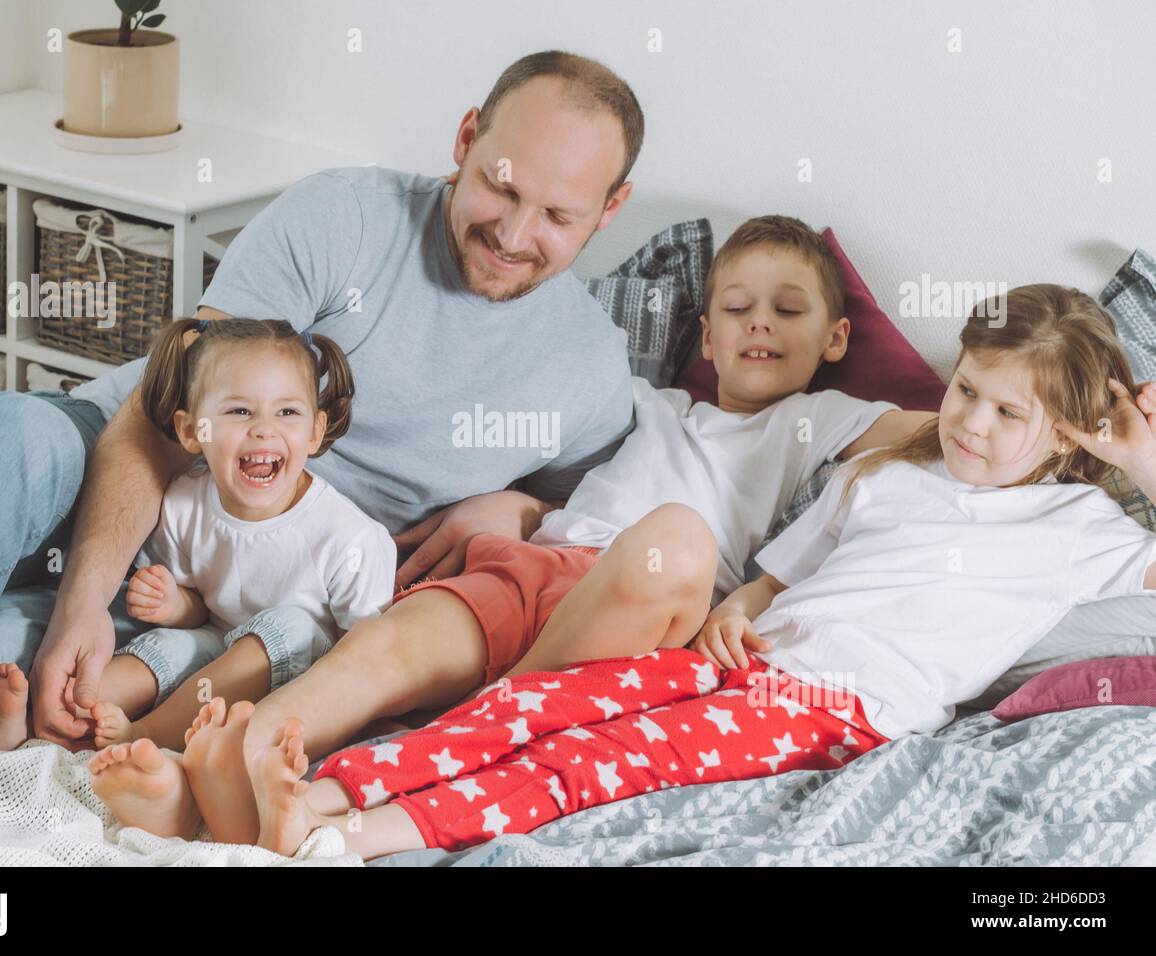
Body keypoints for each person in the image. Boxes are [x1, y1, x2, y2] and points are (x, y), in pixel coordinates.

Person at [0, 49, 641, 781]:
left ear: (610, 209)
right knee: (9, 439)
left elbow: (600, 539)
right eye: (501, 187)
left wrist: (527, 505)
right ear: (468, 138)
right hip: (134, 470)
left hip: (232, 600)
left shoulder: (589, 368)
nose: (512, 233)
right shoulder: (347, 217)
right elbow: (162, 419)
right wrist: (83, 603)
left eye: (556, 217)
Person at [89, 215, 937, 843]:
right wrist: (524, 508)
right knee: (383, 648)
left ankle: (445, 746)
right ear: (705, 333)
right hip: (533, 566)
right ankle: (228, 777)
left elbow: (942, 431)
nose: (759, 324)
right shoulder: (647, 402)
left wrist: (1051, 421)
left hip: (646, 609)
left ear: (834, 338)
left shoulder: (820, 419)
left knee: (675, 535)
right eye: (738, 308)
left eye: (787, 311)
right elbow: (553, 461)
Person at [240, 283, 1156, 859]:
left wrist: (1137, 461)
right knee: (539, 703)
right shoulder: (890, 474)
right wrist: (739, 609)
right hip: (747, 662)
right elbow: (778, 580)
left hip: (841, 711)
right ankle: (323, 792)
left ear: (1068, 435)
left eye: (1008, 415)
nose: (972, 425)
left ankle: (351, 841)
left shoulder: (1085, 528)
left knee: (593, 760)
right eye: (967, 392)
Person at [0, 318, 395, 756]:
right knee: (167, 648)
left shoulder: (350, 538)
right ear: (192, 432)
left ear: (316, 431)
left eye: (287, 412)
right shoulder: (184, 504)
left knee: (289, 627)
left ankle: (143, 735)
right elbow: (200, 606)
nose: (264, 429)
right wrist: (175, 604)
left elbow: (365, 656)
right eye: (239, 411)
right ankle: (46, 724)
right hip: (214, 646)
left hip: (300, 680)